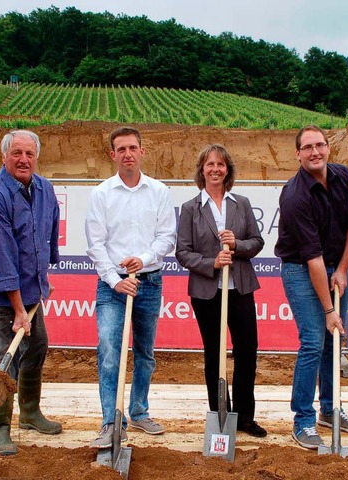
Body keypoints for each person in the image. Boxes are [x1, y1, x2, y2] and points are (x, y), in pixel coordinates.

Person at [0, 130, 62, 456]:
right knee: (2, 359)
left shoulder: (45, 189)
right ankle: (1, 430)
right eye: (17, 153)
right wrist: (20, 310)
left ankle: (31, 413)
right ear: (4, 156)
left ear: (37, 156)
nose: (24, 160)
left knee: (37, 346)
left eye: (29, 154)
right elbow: (3, 259)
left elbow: (47, 232)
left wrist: (43, 276)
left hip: (29, 291)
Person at [85, 126, 177, 448]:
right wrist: (116, 280)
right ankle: (112, 421)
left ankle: (138, 411)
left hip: (149, 282)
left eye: (132, 148)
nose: (127, 154)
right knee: (109, 352)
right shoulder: (101, 194)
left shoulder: (159, 192)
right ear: (113, 155)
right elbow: (95, 245)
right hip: (112, 286)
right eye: (121, 149)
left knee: (145, 353)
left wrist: (143, 258)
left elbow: (167, 237)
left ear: (142, 152)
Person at [274, 125, 348, 449]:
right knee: (314, 340)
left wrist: (341, 269)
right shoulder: (295, 195)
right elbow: (312, 258)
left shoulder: (344, 176)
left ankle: (330, 409)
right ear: (298, 154)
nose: (315, 152)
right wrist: (329, 310)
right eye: (307, 147)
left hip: (333, 263)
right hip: (301, 268)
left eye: (320, 145)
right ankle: (303, 420)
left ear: (328, 148)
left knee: (334, 341)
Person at [176, 144, 267, 438]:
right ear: (201, 170)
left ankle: (244, 417)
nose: (215, 169)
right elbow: (182, 252)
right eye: (209, 164)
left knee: (246, 351)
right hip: (206, 291)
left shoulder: (241, 203)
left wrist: (237, 244)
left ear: (228, 170)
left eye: (221, 164)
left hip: (239, 288)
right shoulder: (191, 208)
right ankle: (220, 415)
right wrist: (211, 262)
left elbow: (257, 242)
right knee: (214, 353)